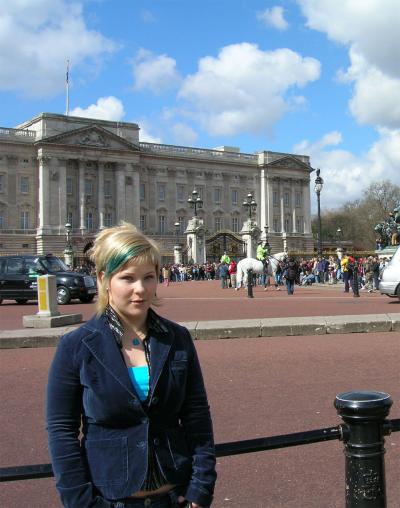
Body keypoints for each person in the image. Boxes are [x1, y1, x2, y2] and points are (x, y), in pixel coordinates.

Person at [46, 222, 217, 508]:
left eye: (148, 277)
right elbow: (61, 431)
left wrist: (201, 488)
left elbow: (196, 416)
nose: (140, 289)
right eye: (128, 278)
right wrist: (81, 503)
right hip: (111, 499)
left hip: (174, 495)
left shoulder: (177, 338)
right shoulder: (76, 346)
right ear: (104, 279)